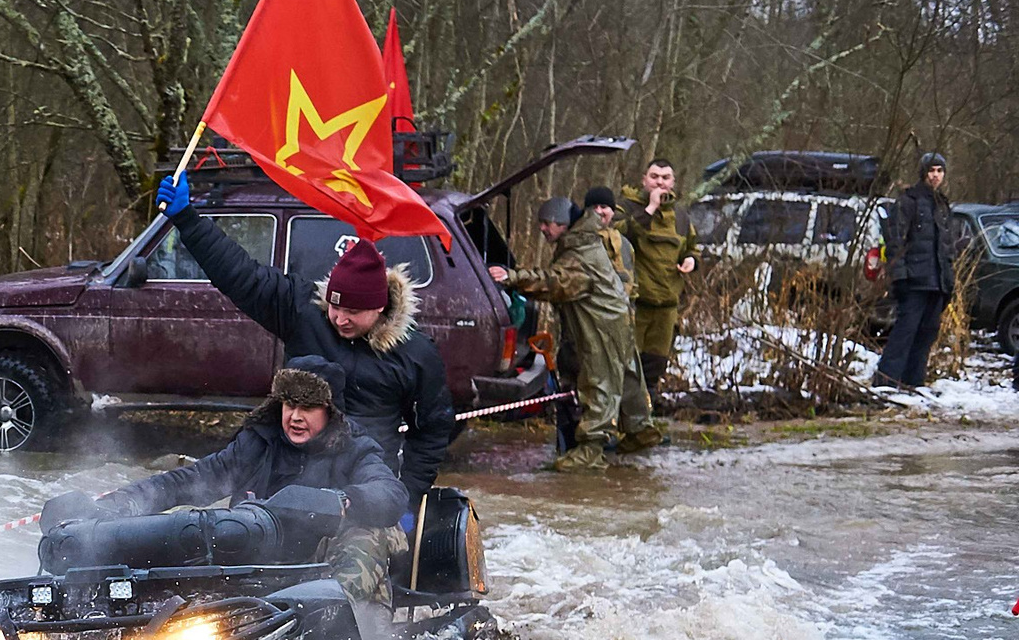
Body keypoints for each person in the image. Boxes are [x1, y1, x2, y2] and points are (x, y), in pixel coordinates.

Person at [154, 171, 457, 493]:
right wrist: (187, 219)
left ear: (379, 307)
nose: (339, 319)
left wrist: (406, 497)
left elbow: (432, 430)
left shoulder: (416, 353)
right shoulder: (303, 311)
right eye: (334, 307)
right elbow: (239, 274)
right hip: (286, 476)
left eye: (353, 312)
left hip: (364, 485)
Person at [41, 359, 408, 602]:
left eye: (307, 407)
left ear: (330, 412)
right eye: (288, 404)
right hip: (263, 557)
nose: (295, 417)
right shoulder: (257, 442)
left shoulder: (355, 448)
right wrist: (115, 506)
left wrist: (340, 502)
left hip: (322, 561)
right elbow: (191, 480)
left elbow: (390, 492)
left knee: (369, 533)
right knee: (190, 525)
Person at [492, 196, 659, 471]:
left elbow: (557, 283)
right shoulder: (583, 242)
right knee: (626, 375)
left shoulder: (580, 251)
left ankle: (591, 449)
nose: (543, 230)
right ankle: (640, 430)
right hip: (614, 320)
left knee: (599, 380)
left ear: (563, 224)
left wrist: (513, 277)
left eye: (547, 224)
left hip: (600, 326)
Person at [613, 158, 698, 398]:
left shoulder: (680, 216)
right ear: (644, 179)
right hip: (635, 304)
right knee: (627, 367)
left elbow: (691, 246)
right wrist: (649, 210)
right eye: (654, 176)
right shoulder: (626, 207)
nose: (659, 182)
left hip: (667, 306)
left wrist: (691, 260)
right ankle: (621, 421)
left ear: (673, 182)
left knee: (654, 366)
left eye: (665, 177)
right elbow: (616, 238)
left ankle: (645, 420)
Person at [877, 152, 952, 389]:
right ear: (923, 173)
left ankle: (913, 382)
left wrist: (948, 281)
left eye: (939, 171)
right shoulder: (908, 201)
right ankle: (886, 382)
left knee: (926, 334)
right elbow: (895, 242)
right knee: (904, 332)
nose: (935, 176)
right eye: (931, 171)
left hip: (937, 282)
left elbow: (946, 247)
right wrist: (899, 276)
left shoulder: (942, 205)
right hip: (914, 281)